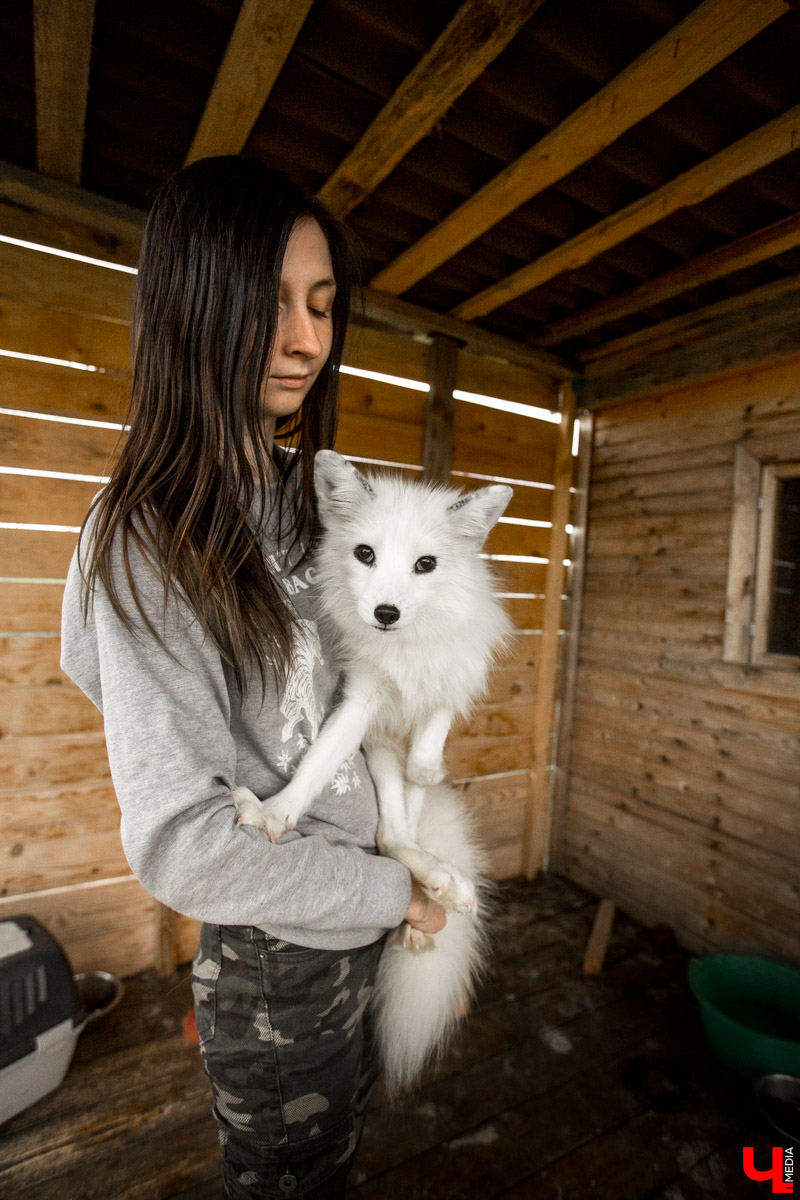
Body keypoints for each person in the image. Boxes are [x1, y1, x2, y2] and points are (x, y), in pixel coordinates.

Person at [60, 156, 446, 1199]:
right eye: (271, 303)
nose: (307, 340)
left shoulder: (311, 502)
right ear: (195, 303)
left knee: (344, 1152)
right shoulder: (148, 536)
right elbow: (183, 844)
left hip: (365, 922)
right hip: (283, 960)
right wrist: (388, 888)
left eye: (321, 308)